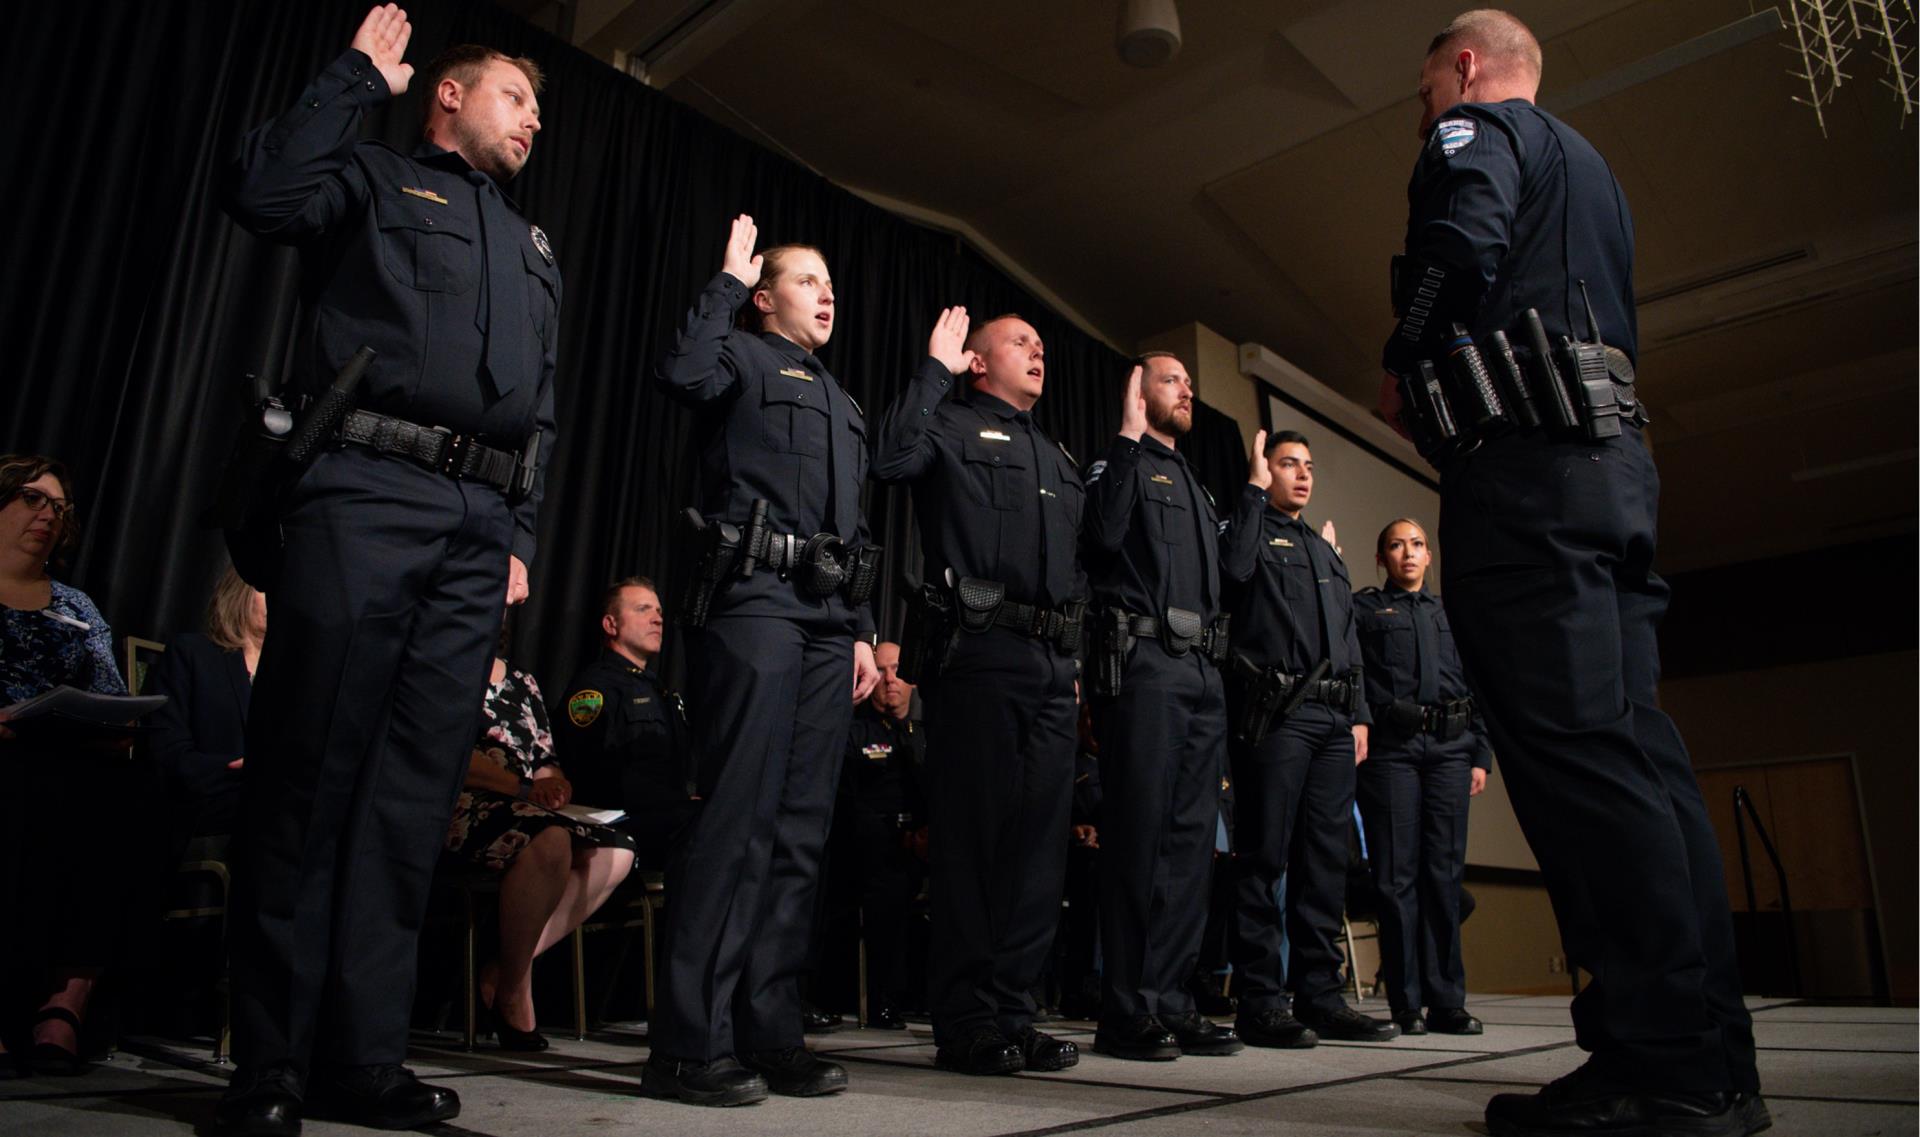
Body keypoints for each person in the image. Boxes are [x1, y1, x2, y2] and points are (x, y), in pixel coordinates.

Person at [1380, 11, 1765, 1135]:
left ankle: (1662, 1066)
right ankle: (1711, 1061)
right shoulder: (1591, 168)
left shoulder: (1480, 128)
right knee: (1635, 750)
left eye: (1423, 93)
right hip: (1610, 474)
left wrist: (1407, 362)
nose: (1425, 116)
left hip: (1531, 481)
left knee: (1582, 765)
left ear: (1462, 67)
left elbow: (1460, 248)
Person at [218, 5, 559, 1132]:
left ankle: (362, 1061)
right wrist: (352, 78)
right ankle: (270, 1064)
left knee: (412, 799)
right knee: (310, 776)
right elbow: (264, 194)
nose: (534, 120)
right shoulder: (367, 176)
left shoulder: (530, 244)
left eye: (542, 108)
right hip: (365, 494)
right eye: (518, 96)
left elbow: (538, 412)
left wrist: (514, 534)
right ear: (449, 97)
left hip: (474, 526)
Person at [646, 215, 880, 1106]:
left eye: (830, 282)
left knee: (799, 831)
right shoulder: (738, 357)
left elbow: (852, 527)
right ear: (763, 298)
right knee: (738, 820)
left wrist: (861, 626)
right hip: (754, 601)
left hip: (827, 619)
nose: (826, 293)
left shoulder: (844, 402)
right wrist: (722, 280)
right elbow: (678, 372)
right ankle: (686, 1043)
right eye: (805, 280)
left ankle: (769, 1029)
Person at [872, 309, 1086, 1076]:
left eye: (1041, 343)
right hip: (980, 652)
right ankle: (965, 1018)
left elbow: (1076, 566)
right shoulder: (952, 426)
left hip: (1051, 664)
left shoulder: (1058, 457)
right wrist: (932, 369)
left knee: (1037, 852)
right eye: (1019, 341)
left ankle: (1013, 1012)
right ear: (977, 359)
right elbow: (890, 457)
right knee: (975, 842)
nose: (1037, 350)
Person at [1080, 354, 1258, 1061]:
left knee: (1190, 849)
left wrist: (1251, 491)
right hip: (1147, 668)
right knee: (1140, 840)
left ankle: (1172, 998)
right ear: (1137, 391)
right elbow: (1100, 539)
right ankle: (1125, 1008)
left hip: (1202, 677)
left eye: (1191, 381)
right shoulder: (1116, 465)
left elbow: (1238, 572)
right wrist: (1125, 438)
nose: (1187, 387)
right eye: (1170, 379)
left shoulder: (1195, 484)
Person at [1218, 431, 1394, 1047]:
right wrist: (1250, 493)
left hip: (1335, 722)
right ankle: (1261, 999)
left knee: (1326, 864)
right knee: (1265, 858)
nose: (1302, 474)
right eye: (1288, 463)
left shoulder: (1325, 551)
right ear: (1266, 470)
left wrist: (1363, 715)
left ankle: (1320, 995)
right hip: (1278, 714)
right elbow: (1231, 572)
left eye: (1307, 466)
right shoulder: (1248, 529)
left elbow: (1349, 642)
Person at [0, 455, 141, 1076]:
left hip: (66, 758)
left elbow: (109, 694)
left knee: (126, 791)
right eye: (32, 498)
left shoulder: (76, 606)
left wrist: (113, 726)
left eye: (58, 507)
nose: (47, 516)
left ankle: (65, 1004)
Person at [442, 617, 635, 1052]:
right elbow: (452, 756)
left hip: (527, 804)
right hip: (464, 804)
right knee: (550, 840)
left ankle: (506, 971)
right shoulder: (447, 670)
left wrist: (555, 781)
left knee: (617, 852)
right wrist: (524, 788)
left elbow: (544, 756)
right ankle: (515, 992)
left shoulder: (521, 681)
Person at [1352, 519, 1490, 1037]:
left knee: (1445, 877)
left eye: (1416, 545)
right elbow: (1355, 675)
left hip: (1453, 752)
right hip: (1393, 752)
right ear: (1381, 558)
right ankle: (1405, 1003)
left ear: (1428, 556)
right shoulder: (1364, 610)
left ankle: (1447, 1001)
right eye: (1395, 546)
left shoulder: (1452, 612)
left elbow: (1479, 685)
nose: (1407, 554)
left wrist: (1481, 754)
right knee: (1395, 878)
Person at [550, 578, 696, 871]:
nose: (657, 619)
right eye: (643, 609)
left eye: (659, 612)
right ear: (610, 625)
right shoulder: (595, 689)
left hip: (665, 818)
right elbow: (589, 775)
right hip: (622, 823)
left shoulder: (658, 689)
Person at [816, 641, 925, 1031]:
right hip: (869, 846)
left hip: (922, 844)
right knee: (882, 884)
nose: (891, 679)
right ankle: (880, 1000)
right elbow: (845, 798)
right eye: (883, 671)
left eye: (899, 670)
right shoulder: (852, 732)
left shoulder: (927, 735)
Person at [147, 566, 264, 841]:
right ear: (239, 593)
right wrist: (244, 772)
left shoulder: (297, 676)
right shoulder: (190, 653)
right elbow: (167, 753)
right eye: (266, 589)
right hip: (204, 807)